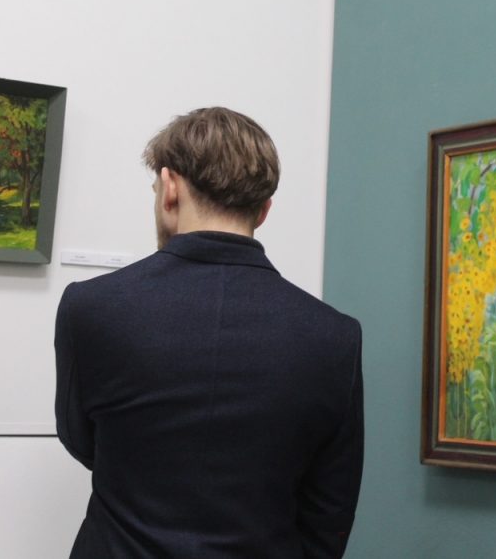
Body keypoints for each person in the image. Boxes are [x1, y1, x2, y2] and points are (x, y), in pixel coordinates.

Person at [54, 107, 364, 558]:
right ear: (264, 209)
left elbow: (82, 440)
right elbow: (330, 508)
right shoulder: (335, 336)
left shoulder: (91, 307)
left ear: (170, 188)